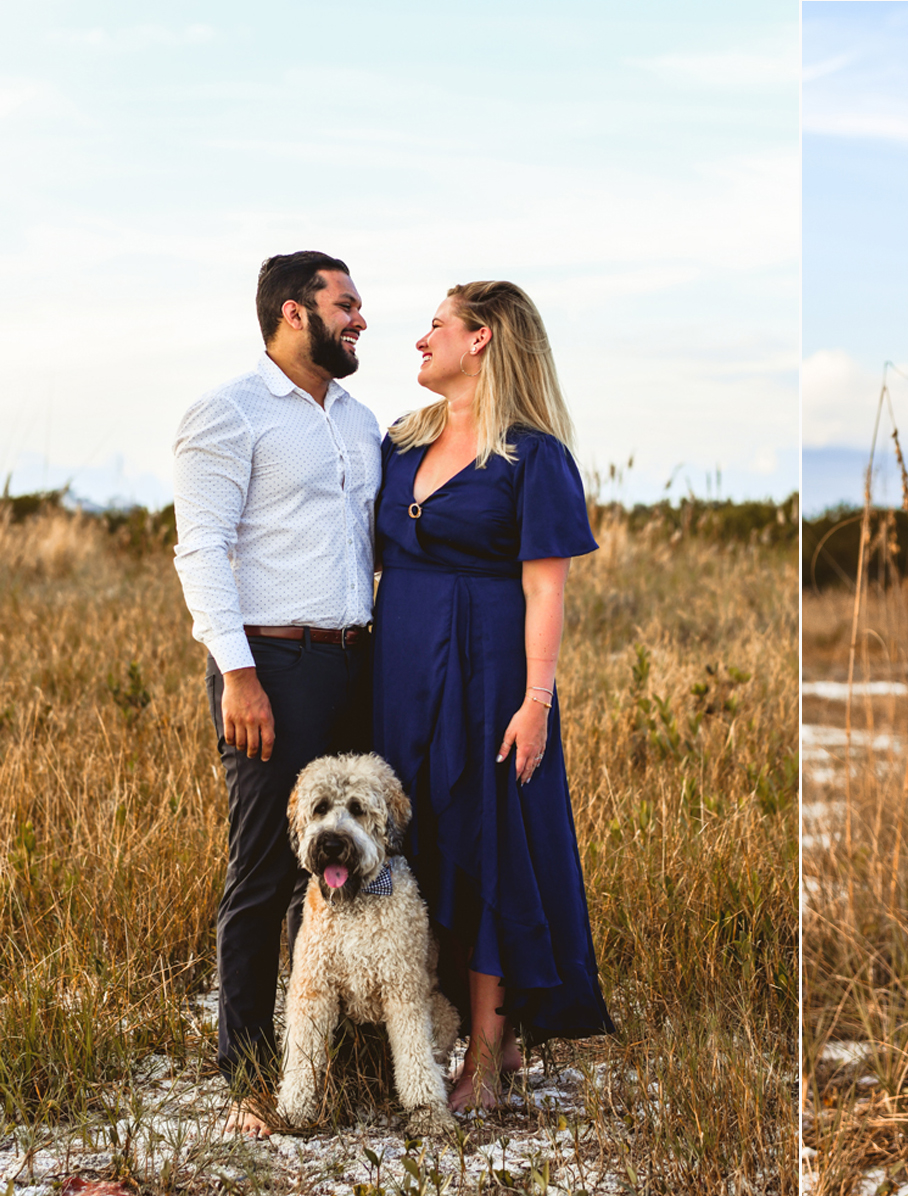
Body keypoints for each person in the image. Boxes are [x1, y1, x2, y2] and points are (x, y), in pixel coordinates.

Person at [372, 280, 614, 1112]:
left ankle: (483, 1057)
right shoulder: (400, 442)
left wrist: (536, 702)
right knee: (421, 844)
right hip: (398, 672)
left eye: (434, 325)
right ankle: (453, 1037)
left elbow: (546, 591)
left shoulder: (533, 456)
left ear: (480, 339)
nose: (419, 341)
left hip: (490, 676)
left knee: (487, 847)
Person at [172, 251, 382, 1138]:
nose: (361, 319)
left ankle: (340, 1058)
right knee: (264, 872)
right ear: (295, 313)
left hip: (357, 664)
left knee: (361, 873)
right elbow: (200, 549)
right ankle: (251, 1076)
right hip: (271, 666)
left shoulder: (364, 420)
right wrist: (240, 675)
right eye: (347, 304)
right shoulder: (228, 413)